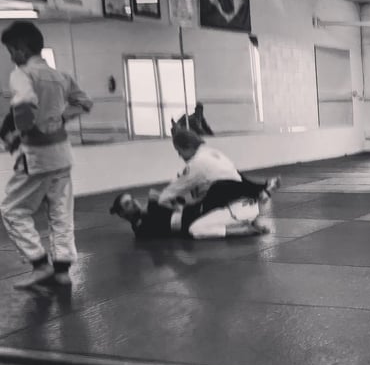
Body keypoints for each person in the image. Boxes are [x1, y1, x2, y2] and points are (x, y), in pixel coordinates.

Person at [0, 21, 92, 288]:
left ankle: (40, 264)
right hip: (62, 155)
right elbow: (84, 103)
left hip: (37, 156)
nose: (11, 57)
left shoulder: (22, 74)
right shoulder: (60, 76)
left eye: (12, 50)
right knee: (61, 212)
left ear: (22, 48)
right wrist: (60, 119)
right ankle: (62, 270)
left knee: (12, 209)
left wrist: (20, 134)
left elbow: (25, 103)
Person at [110, 176, 280, 239]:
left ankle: (260, 189)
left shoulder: (150, 209)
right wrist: (158, 202)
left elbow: (176, 204)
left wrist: (175, 200)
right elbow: (166, 222)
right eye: (128, 204)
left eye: (132, 199)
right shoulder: (141, 228)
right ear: (123, 214)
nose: (134, 202)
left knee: (221, 180)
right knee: (219, 187)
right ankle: (260, 191)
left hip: (192, 211)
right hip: (192, 218)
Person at [158, 129, 241, 207]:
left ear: (189, 146)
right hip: (239, 193)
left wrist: (161, 198)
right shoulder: (215, 153)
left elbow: (175, 189)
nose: (179, 155)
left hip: (222, 198)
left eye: (179, 151)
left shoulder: (196, 162)